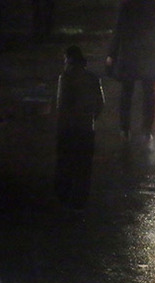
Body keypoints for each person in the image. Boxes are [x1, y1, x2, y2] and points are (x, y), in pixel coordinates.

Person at [106, 0, 155, 141]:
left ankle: (125, 129)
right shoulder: (152, 6)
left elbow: (119, 30)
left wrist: (112, 54)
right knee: (148, 93)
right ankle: (146, 130)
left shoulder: (127, 5)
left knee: (127, 92)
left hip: (130, 53)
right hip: (148, 55)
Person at [55, 45, 105, 210]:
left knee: (66, 162)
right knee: (84, 165)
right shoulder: (93, 78)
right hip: (86, 128)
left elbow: (61, 105)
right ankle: (81, 198)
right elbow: (100, 103)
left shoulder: (66, 77)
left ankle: (64, 196)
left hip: (68, 129)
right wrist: (90, 118)